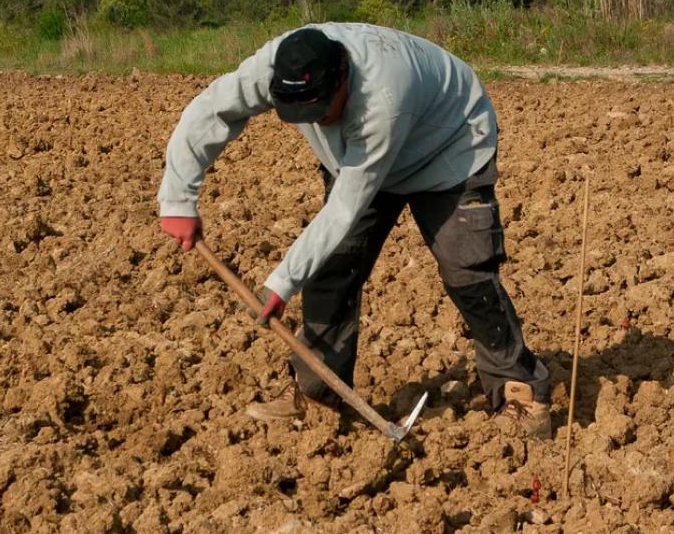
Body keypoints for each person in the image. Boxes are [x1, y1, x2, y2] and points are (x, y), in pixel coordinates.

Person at [157, 23, 551, 439]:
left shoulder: (383, 98)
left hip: (449, 147)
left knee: (468, 272)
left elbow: (347, 204)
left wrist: (281, 283)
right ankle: (316, 395)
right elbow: (210, 110)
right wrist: (178, 199)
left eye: (323, 110)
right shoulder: (273, 67)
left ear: (342, 77)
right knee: (331, 269)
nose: (318, 123)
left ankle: (522, 392)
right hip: (357, 157)